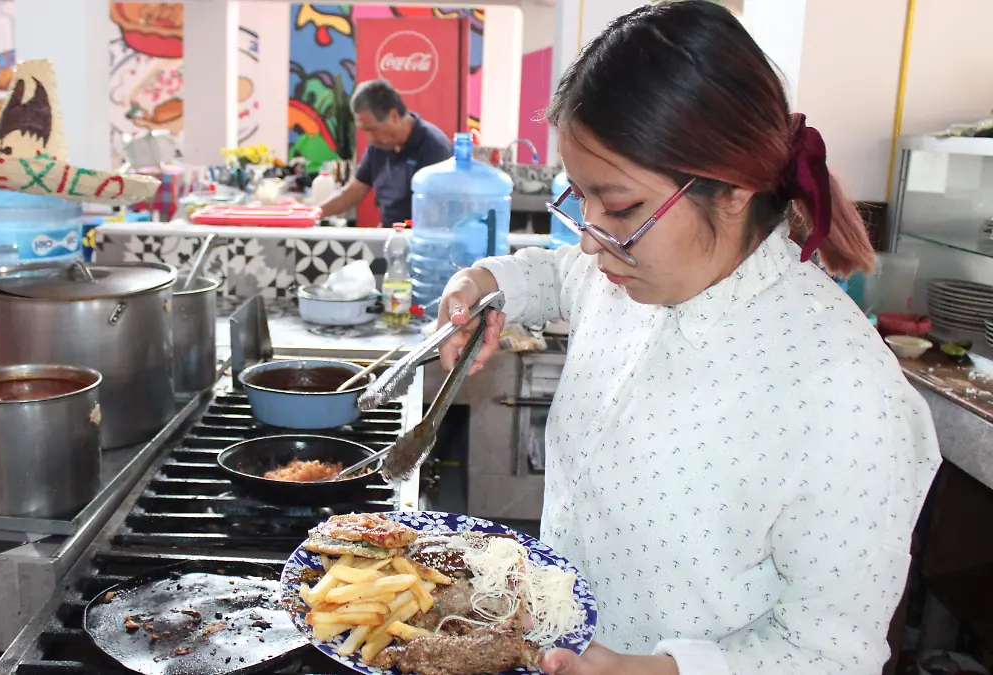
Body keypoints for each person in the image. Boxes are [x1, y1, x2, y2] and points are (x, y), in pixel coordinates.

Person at [436, 3, 940, 674]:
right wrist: (485, 280)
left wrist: (661, 669)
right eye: (578, 198)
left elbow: (831, 651)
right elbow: (563, 273)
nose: (590, 237)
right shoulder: (628, 272)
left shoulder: (847, 393)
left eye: (619, 207)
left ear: (732, 190)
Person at [319, 79, 452, 226]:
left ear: (394, 116)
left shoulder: (434, 147)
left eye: (372, 129)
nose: (370, 138)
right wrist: (315, 212)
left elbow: (442, 212)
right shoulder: (379, 146)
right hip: (390, 235)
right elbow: (354, 191)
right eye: (365, 131)